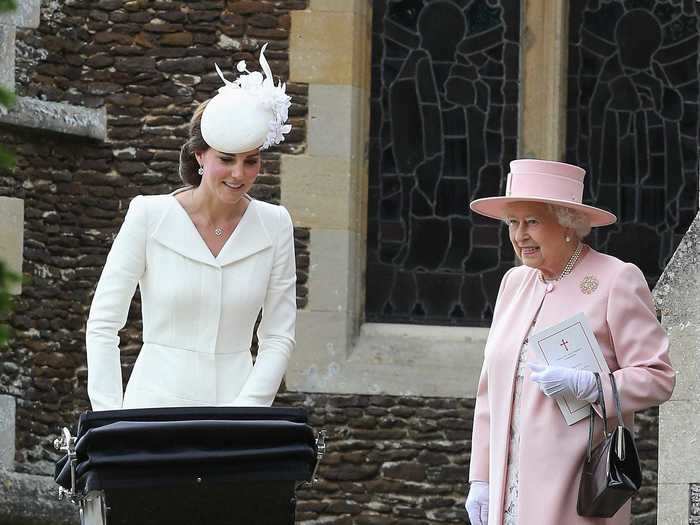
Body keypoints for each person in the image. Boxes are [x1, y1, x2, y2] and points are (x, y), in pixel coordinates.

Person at [463, 159, 675, 524]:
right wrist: (480, 477)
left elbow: (658, 377)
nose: (519, 235)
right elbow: (489, 392)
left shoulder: (616, 280)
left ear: (567, 225)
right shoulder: (514, 284)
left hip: (575, 488)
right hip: (505, 488)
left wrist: (592, 387)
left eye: (532, 222)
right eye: (513, 222)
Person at [86, 43, 296, 410]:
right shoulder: (148, 215)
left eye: (251, 161)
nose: (238, 174)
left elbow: (278, 335)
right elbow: (104, 323)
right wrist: (108, 421)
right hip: (151, 411)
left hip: (238, 414)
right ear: (200, 156)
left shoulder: (275, 225)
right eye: (226, 160)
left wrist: (245, 415)